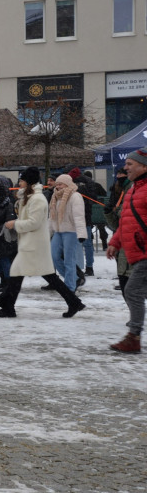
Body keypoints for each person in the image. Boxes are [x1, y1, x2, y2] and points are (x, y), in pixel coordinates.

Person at [0, 166, 85, 319]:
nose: (19, 183)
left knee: (20, 272)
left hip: (33, 245)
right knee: (35, 275)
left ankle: (8, 306)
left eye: (22, 180)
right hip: (30, 243)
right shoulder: (28, 198)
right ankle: (73, 302)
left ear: (29, 182)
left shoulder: (37, 199)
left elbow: (34, 223)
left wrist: (15, 224)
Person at [108, 149, 147, 353]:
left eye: (130, 164)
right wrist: (115, 242)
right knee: (136, 291)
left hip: (144, 252)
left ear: (144, 167)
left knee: (132, 291)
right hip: (137, 251)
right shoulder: (132, 189)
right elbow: (126, 220)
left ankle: (133, 337)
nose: (126, 167)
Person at [48, 174, 87, 293]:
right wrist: (48, 232)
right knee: (54, 257)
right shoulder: (55, 196)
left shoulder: (75, 196)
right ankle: (74, 278)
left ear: (68, 184)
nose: (58, 186)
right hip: (58, 231)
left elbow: (79, 216)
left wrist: (81, 234)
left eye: (61, 184)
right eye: (57, 183)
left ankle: (69, 287)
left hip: (71, 231)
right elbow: (52, 217)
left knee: (69, 260)